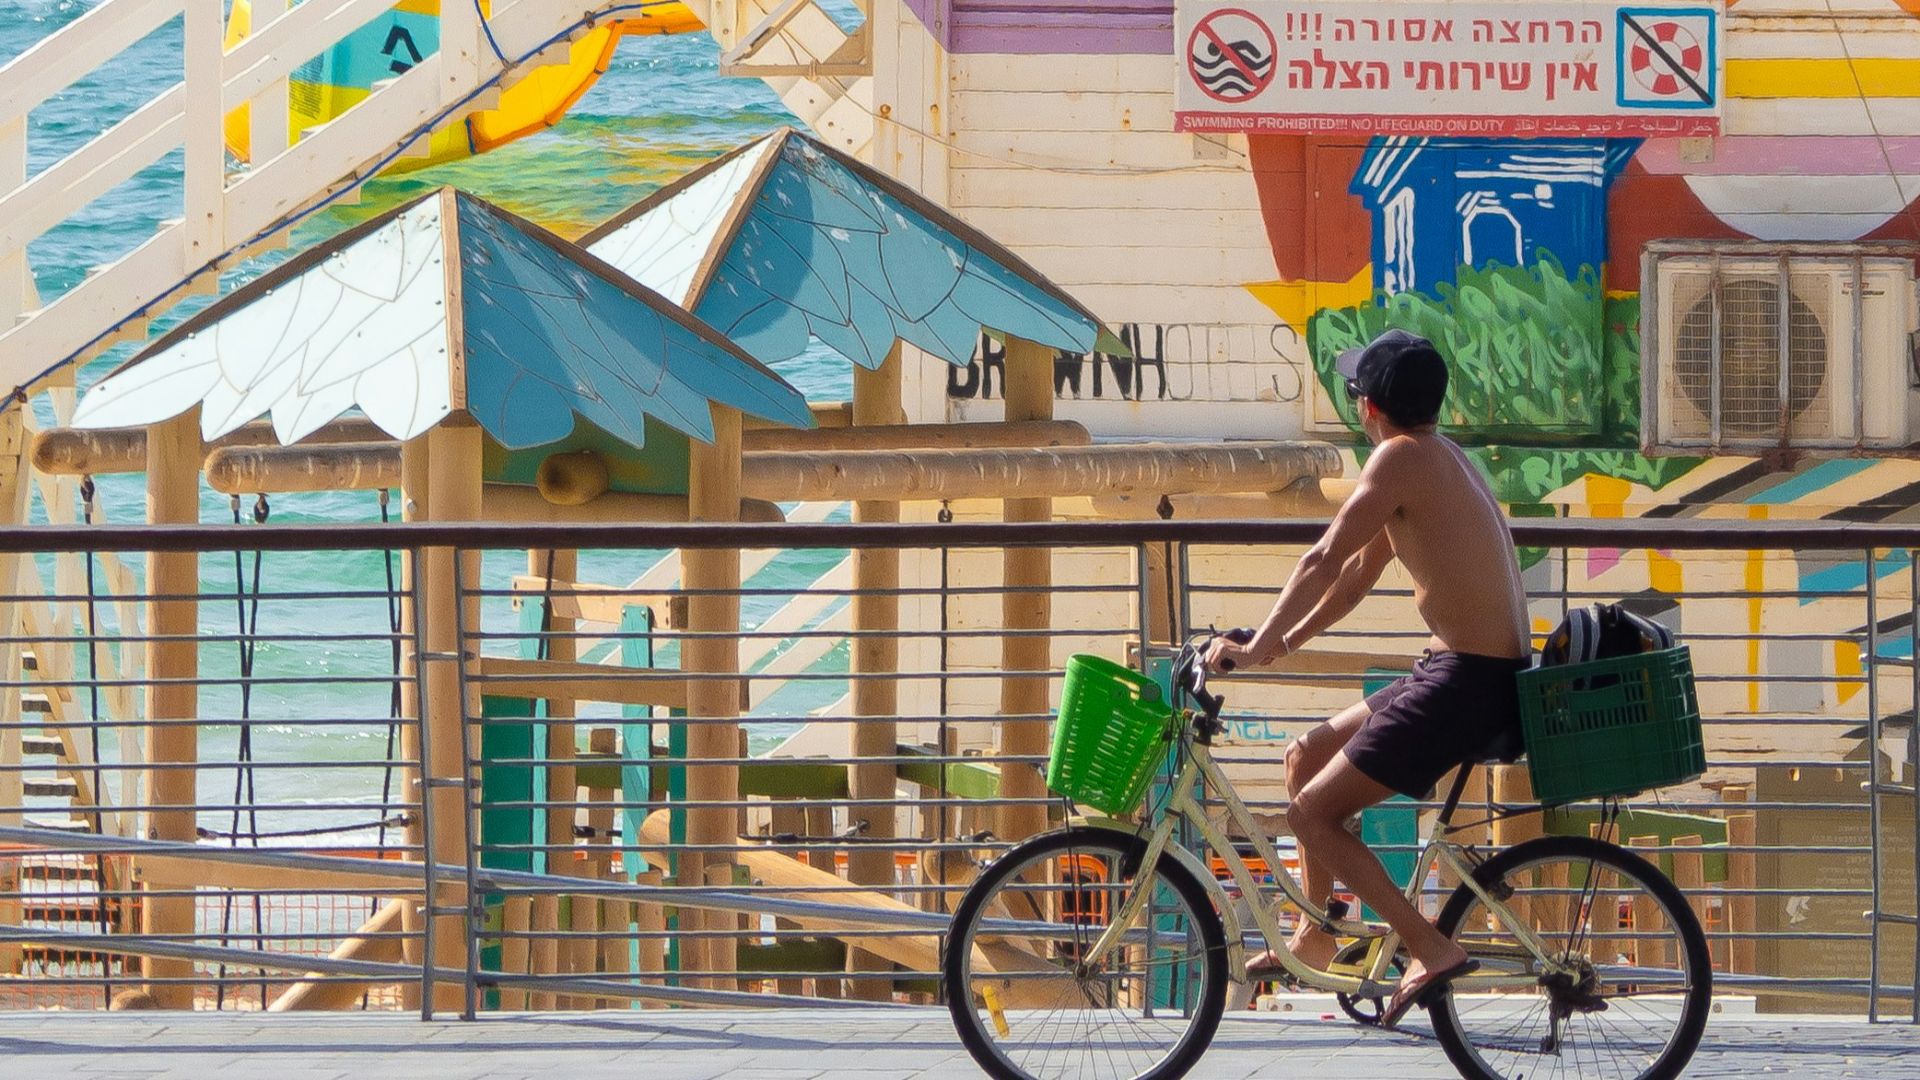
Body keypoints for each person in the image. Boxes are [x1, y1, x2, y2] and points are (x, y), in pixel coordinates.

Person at [1204, 328, 1532, 1028]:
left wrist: (1253, 648)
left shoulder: (1398, 459)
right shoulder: (1438, 456)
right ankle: (1316, 932)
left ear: (1370, 407)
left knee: (1310, 814)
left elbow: (1321, 558)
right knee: (1303, 756)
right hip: (1461, 670)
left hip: (1467, 683)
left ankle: (1429, 947)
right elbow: (1353, 578)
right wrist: (1278, 643)